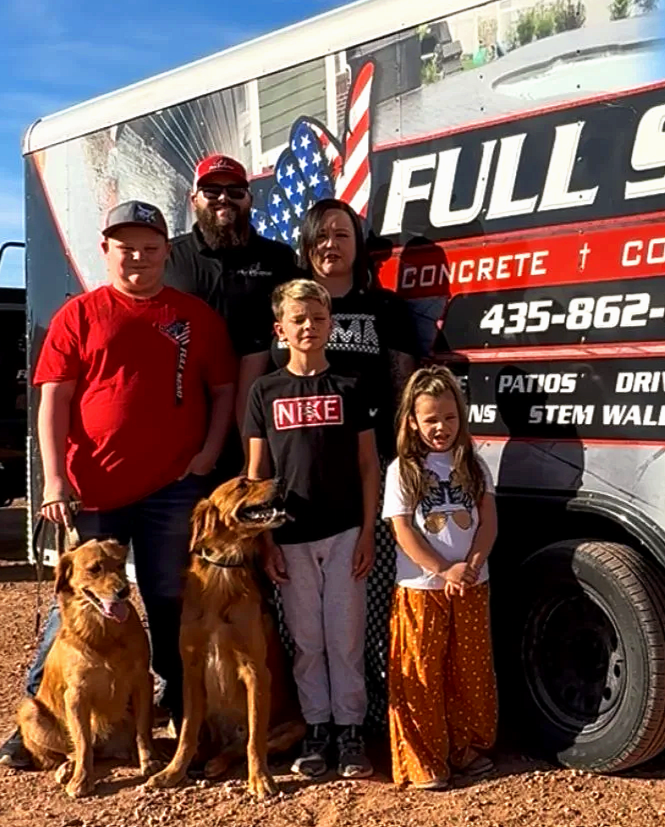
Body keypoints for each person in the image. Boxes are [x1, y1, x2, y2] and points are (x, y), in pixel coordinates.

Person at [0, 201, 236, 767]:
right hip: (93, 490)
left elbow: (224, 389)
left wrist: (207, 454)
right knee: (77, 602)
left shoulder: (193, 317)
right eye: (126, 248)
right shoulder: (79, 315)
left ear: (166, 252)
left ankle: (182, 710)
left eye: (150, 248)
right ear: (105, 250)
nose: (138, 258)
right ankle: (39, 715)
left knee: (170, 600)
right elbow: (53, 401)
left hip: (173, 488)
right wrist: (54, 480)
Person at [270, 197, 420, 735]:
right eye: (321, 235)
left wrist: (403, 458)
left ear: (358, 244)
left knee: (365, 598)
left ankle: (368, 714)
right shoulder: (288, 310)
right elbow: (266, 389)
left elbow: (404, 383)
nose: (331, 244)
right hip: (303, 478)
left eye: (342, 234)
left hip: (368, 466)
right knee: (306, 617)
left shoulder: (385, 309)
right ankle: (314, 718)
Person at [244, 278, 379, 780]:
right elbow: (256, 474)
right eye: (298, 319)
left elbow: (369, 465)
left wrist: (368, 532)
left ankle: (351, 730)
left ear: (330, 325)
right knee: (307, 640)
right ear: (280, 328)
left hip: (345, 532)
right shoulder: (265, 390)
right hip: (290, 535)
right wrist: (265, 539)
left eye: (318, 319)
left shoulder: (351, 384)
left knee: (345, 637)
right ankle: (316, 728)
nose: (309, 327)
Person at [382, 365, 499, 790]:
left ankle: (465, 747)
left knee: (469, 671)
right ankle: (424, 760)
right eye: (431, 419)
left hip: (470, 585)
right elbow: (403, 530)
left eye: (450, 418)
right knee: (421, 674)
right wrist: (442, 569)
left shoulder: (474, 464)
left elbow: (488, 522)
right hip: (422, 588)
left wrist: (470, 566)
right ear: (413, 421)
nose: (441, 428)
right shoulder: (402, 469)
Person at [165, 154, 299, 483]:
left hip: (257, 423)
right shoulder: (168, 257)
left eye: (236, 191)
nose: (224, 198)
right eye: (212, 191)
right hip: (186, 426)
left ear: (249, 199)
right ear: (194, 199)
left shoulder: (279, 258)